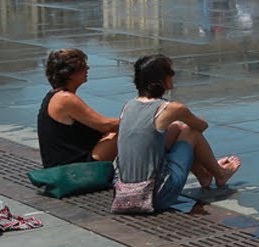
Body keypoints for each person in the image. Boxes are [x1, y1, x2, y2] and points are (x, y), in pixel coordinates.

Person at [114, 55, 241, 211]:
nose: (174, 76)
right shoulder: (172, 108)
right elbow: (201, 126)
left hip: (123, 194)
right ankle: (219, 173)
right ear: (162, 79)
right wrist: (184, 115)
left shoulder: (128, 106)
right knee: (190, 131)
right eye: (171, 73)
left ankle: (204, 174)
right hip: (155, 196)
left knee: (176, 128)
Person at [37, 48, 119, 168]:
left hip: (60, 165)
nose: (88, 68)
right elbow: (105, 125)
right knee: (124, 131)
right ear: (70, 73)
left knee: (112, 132)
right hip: (73, 169)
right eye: (83, 66)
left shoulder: (54, 95)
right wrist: (135, 119)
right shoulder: (65, 99)